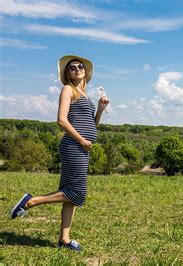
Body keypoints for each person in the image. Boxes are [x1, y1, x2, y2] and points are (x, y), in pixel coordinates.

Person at [10, 55, 109, 252]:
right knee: (77, 192)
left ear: (86, 72)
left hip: (82, 147)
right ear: (67, 73)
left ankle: (64, 239)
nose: (77, 69)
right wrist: (81, 140)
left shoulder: (85, 95)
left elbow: (92, 124)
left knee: (70, 194)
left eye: (80, 66)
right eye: (72, 68)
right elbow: (61, 120)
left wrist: (99, 109)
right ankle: (30, 202)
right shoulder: (67, 90)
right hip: (74, 146)